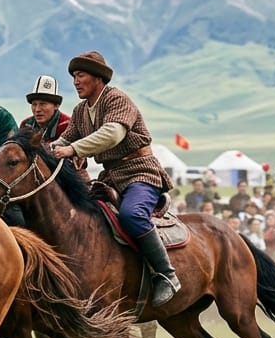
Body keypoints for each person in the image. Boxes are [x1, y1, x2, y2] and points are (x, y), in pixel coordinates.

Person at [51, 51, 180, 307]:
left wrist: (73, 150)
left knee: (132, 215)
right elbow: (64, 140)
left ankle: (167, 275)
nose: (75, 81)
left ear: (98, 78)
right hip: (110, 176)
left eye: (81, 75)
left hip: (140, 172)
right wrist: (44, 151)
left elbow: (112, 133)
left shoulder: (117, 99)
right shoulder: (80, 111)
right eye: (74, 76)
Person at [17, 75, 69, 142]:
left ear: (56, 105)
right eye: (34, 104)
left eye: (43, 104)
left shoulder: (67, 126)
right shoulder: (26, 125)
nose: (37, 109)